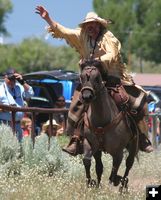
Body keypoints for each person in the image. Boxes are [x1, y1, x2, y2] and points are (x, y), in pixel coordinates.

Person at [35, 6, 153, 155]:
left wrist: (97, 61)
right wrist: (47, 18)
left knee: (131, 102)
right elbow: (63, 31)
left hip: (111, 78)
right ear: (85, 26)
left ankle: (141, 138)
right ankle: (76, 140)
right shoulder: (81, 35)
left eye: (94, 24)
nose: (91, 27)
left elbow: (112, 53)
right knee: (76, 105)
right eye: (89, 25)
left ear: (99, 25)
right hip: (89, 80)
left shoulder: (108, 37)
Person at [0, 68, 34, 141]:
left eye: (14, 79)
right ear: (5, 77)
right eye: (10, 79)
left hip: (18, 124)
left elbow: (30, 94)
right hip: (4, 124)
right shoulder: (1, 90)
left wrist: (22, 81)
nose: (12, 81)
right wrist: (4, 109)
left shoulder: (19, 87)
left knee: (18, 148)